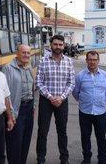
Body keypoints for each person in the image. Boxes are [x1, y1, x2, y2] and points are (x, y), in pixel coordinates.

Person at [36, 35, 75, 164]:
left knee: (62, 131)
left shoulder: (69, 61)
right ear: (51, 45)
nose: (58, 47)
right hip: (46, 101)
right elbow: (39, 82)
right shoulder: (43, 60)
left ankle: (64, 159)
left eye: (60, 44)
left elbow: (71, 83)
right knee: (42, 131)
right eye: (55, 44)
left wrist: (61, 98)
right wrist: (50, 97)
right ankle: (40, 159)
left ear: (63, 46)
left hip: (62, 102)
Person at [73, 50, 106, 164]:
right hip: (85, 112)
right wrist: (83, 101)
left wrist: (102, 101)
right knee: (85, 137)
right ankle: (86, 158)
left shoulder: (105, 76)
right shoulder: (80, 76)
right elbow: (76, 92)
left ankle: (102, 159)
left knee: (101, 137)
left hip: (100, 112)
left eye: (95, 60)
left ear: (98, 61)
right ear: (86, 61)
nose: (92, 62)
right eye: (90, 59)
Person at [2, 44, 34, 164]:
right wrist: (10, 115)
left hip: (29, 108)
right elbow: (5, 93)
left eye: (28, 53)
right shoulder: (8, 68)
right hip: (16, 109)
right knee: (15, 142)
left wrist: (33, 106)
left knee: (26, 141)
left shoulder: (29, 67)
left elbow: (32, 88)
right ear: (17, 53)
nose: (26, 55)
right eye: (23, 52)